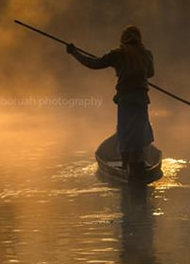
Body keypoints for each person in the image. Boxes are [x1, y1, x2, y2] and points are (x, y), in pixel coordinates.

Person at [66, 25, 155, 177]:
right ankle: (136, 164)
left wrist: (74, 52)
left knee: (125, 131)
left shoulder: (118, 54)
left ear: (123, 39)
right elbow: (151, 74)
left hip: (126, 101)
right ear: (139, 39)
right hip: (141, 100)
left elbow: (94, 63)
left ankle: (126, 166)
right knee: (138, 131)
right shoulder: (146, 54)